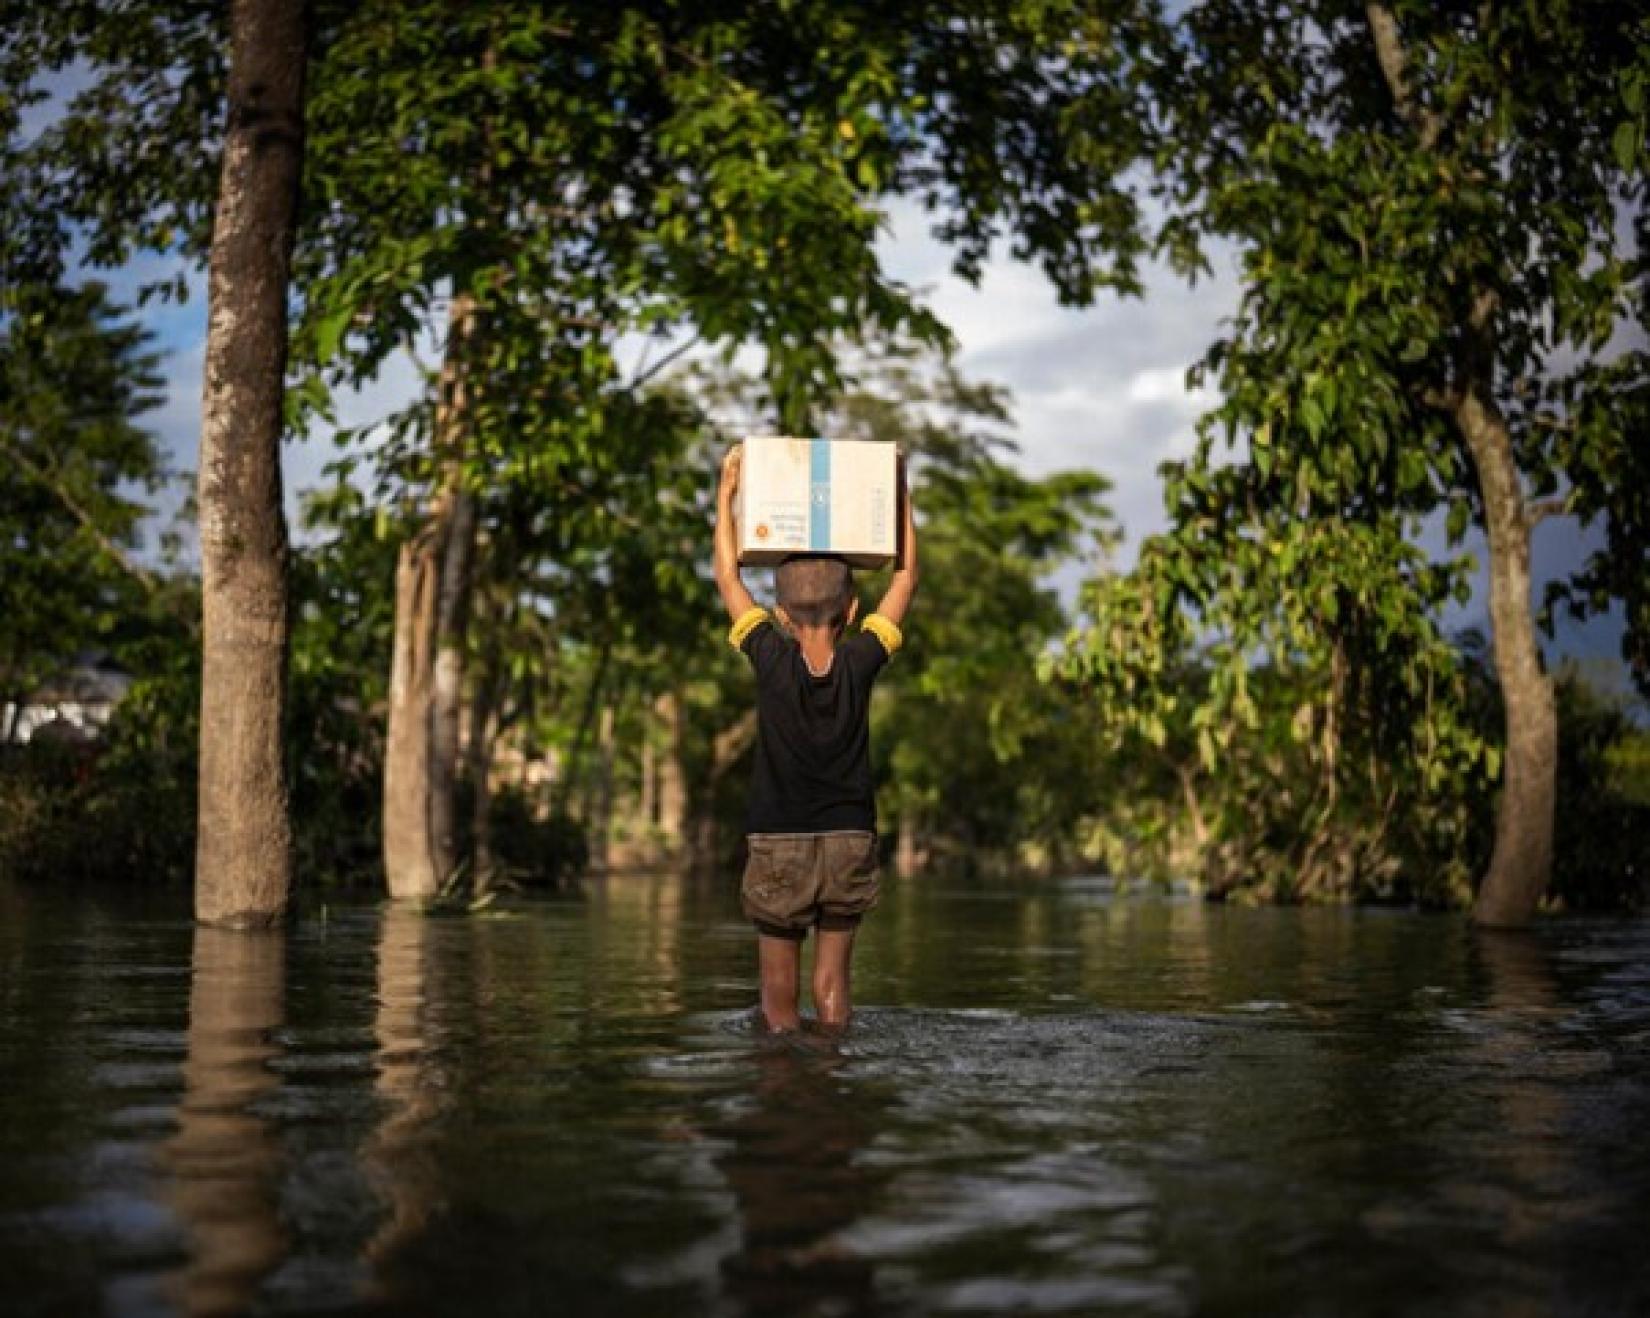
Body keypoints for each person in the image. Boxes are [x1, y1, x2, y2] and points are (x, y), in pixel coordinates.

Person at [713, 442, 918, 1033]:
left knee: (779, 1002)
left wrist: (727, 497)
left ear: (779, 614)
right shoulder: (862, 660)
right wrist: (899, 492)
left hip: (779, 840)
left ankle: (788, 1100)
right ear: (853, 610)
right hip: (850, 837)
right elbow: (904, 576)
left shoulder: (769, 656)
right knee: (833, 992)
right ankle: (835, 1088)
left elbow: (729, 575)